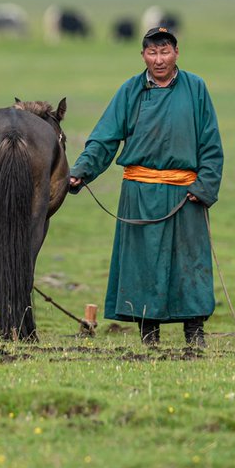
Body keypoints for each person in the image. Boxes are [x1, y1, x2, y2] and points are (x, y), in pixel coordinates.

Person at [67, 27, 223, 347]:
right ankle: (148, 335)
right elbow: (105, 137)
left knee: (189, 262)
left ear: (176, 53)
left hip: (185, 193)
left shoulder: (196, 88)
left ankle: (194, 332)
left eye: (165, 52)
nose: (159, 59)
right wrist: (81, 171)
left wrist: (205, 186)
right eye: (152, 53)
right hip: (139, 192)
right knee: (143, 263)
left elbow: (210, 143)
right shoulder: (130, 90)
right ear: (143, 56)